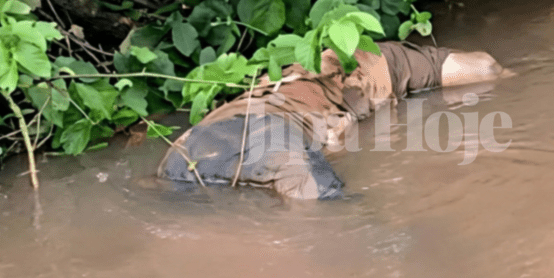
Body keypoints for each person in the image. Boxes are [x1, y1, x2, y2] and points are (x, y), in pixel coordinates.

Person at [157, 41, 503, 199]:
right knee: (333, 211)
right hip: (275, 138)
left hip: (195, 142)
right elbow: (484, 68)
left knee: (181, 199)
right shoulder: (387, 61)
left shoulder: (278, 73)